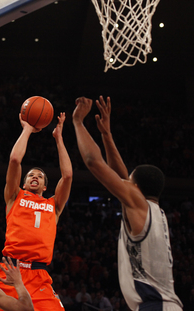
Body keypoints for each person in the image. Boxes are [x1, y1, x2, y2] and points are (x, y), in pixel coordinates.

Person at [72, 96, 183, 311]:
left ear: (137, 189)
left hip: (156, 306)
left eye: (129, 181)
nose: (124, 182)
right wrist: (106, 135)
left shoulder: (139, 205)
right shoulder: (154, 211)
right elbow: (119, 174)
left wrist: (78, 122)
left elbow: (94, 162)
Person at [0, 112, 73, 311]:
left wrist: (59, 139)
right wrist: (27, 130)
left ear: (45, 186)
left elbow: (67, 176)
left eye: (40, 176)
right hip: (9, 271)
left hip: (39, 277)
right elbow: (14, 159)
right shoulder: (15, 197)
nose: (35, 177)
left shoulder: (54, 205)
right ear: (23, 182)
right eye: (31, 174)